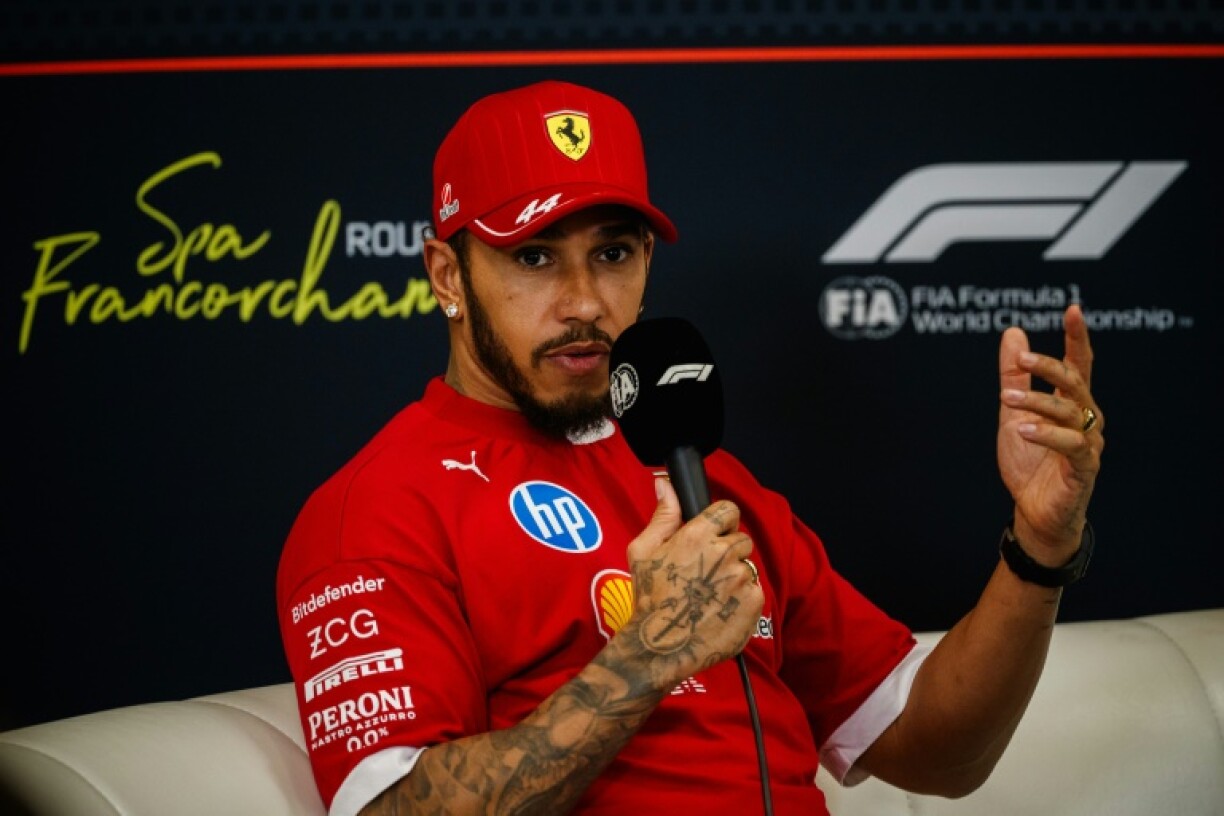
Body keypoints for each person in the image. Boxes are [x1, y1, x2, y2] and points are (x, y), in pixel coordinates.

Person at [276, 80, 1104, 816]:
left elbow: (940, 752)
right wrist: (649, 653)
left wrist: (1039, 546)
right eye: (533, 258)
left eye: (612, 253)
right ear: (447, 276)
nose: (584, 302)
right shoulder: (379, 507)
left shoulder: (698, 474)